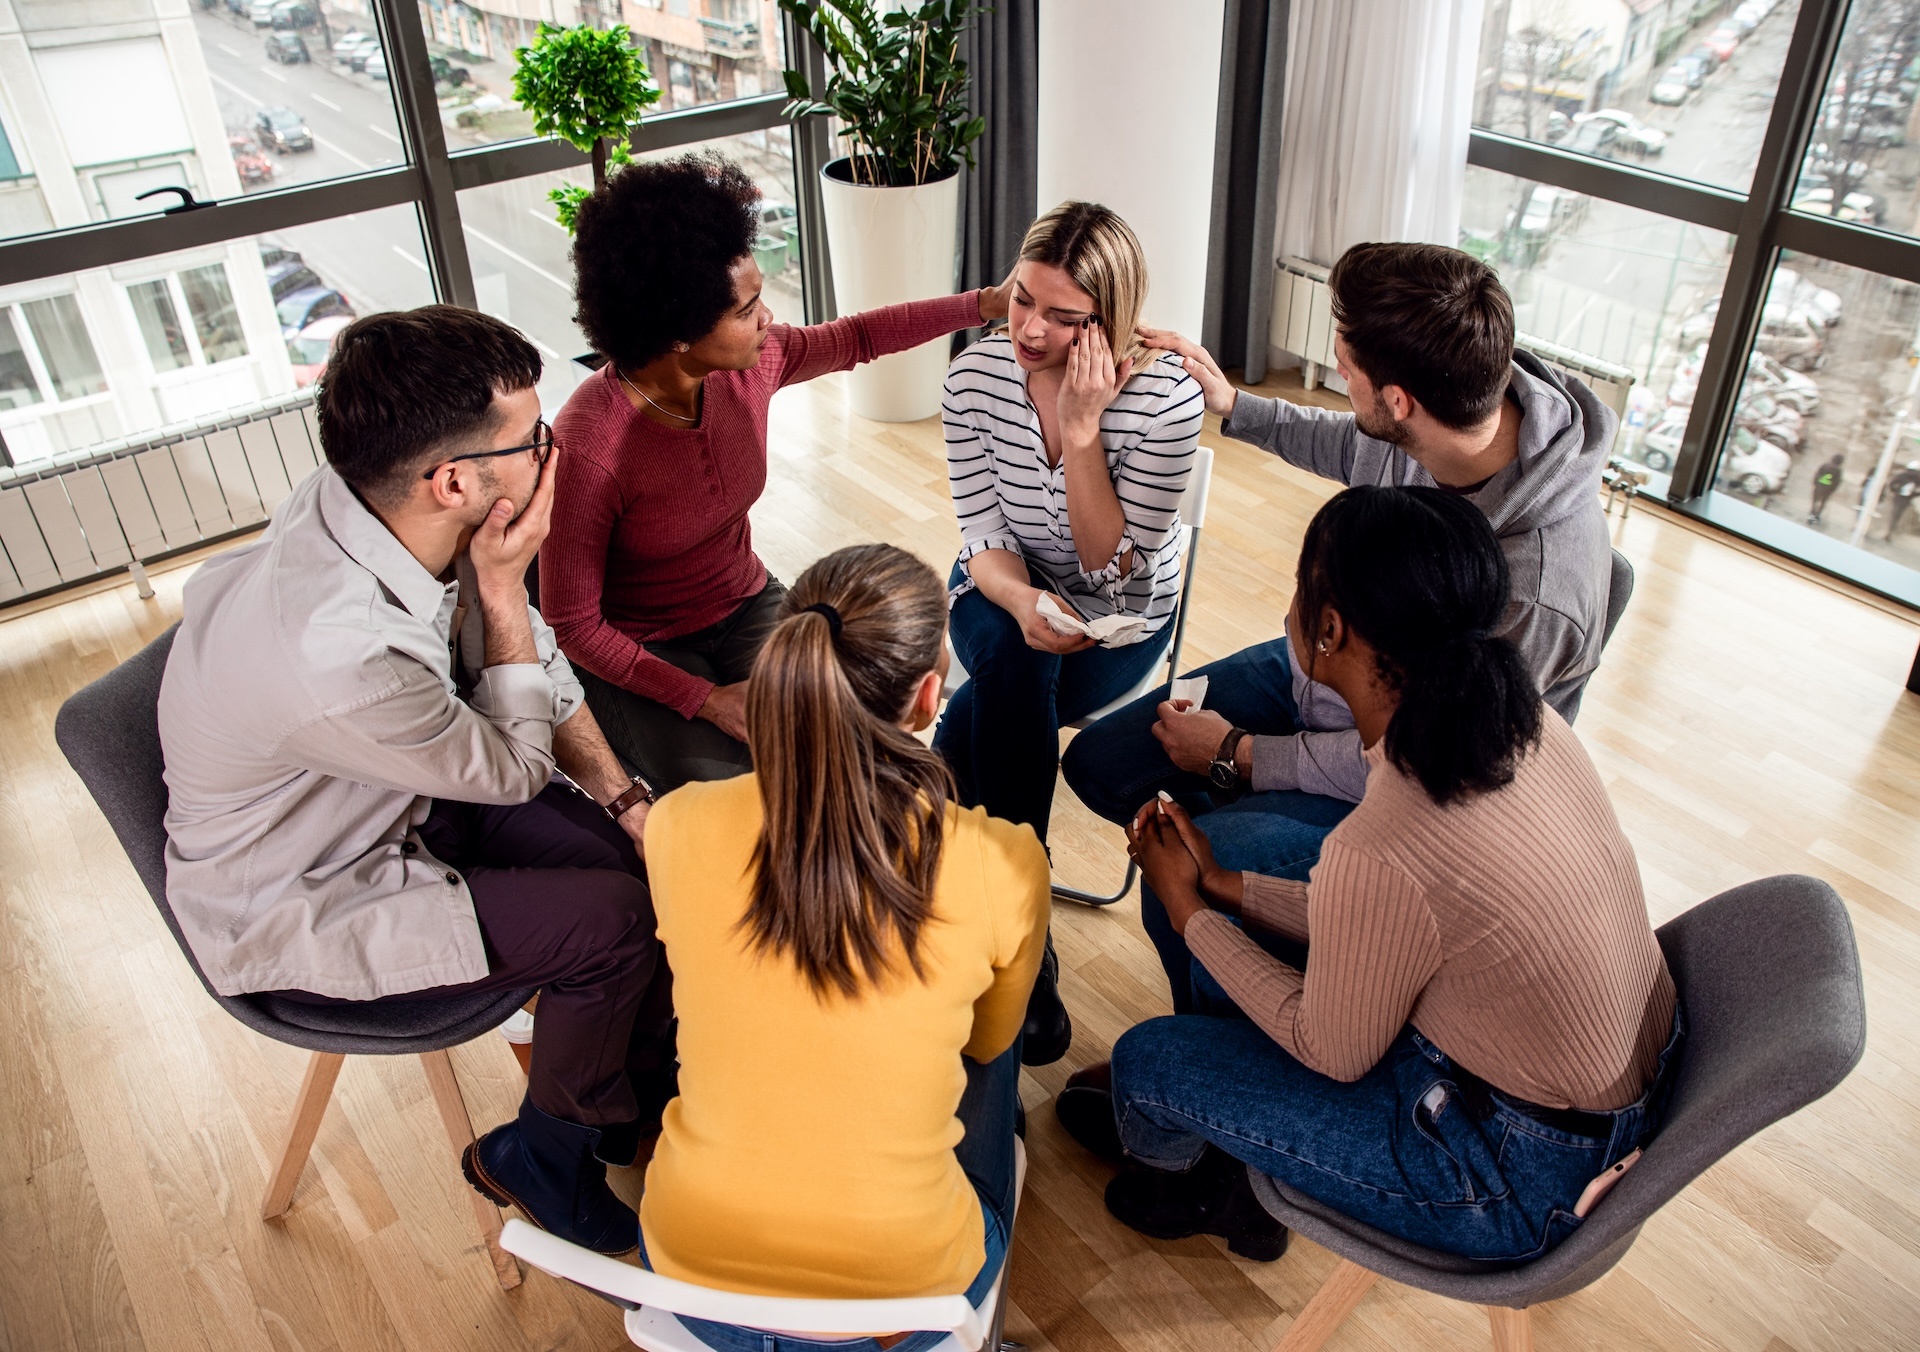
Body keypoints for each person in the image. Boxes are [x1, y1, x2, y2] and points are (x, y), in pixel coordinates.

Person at [158, 307, 676, 1255]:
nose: (553, 454)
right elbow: (518, 768)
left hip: (389, 797)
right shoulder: (342, 657)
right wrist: (505, 590)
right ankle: (545, 1157)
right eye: (537, 440)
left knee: (639, 865)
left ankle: (629, 1102)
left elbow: (532, 671)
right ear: (455, 482)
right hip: (301, 890)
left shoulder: (360, 495)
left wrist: (627, 800)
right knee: (610, 923)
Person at [1056, 486, 1679, 1266]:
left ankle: (1198, 1187)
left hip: (1517, 1172)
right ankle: (1233, 1149)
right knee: (1236, 952)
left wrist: (1191, 915)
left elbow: (1330, 1049)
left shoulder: (1384, 837)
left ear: (1329, 629)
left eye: (1299, 589)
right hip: (1609, 1098)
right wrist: (1224, 886)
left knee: (1150, 1061)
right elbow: (1398, 921)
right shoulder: (1531, 725)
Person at [1059, 240, 1614, 1015]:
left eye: (1345, 363)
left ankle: (1223, 1057)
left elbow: (1430, 771)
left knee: (1194, 866)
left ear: (1399, 400)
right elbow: (1357, 443)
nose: (1334, 367)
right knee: (1099, 766)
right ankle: (1260, 908)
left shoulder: (1537, 592)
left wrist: (1237, 755)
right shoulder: (1455, 413)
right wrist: (1235, 405)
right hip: (1317, 675)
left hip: (1410, 777)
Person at [638, 544, 1050, 1349]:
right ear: (930, 697)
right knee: (994, 1045)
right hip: (905, 1305)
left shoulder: (675, 824)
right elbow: (988, 1045)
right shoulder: (1000, 862)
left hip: (692, 1278)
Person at [543, 151, 1011, 795]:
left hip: (743, 602)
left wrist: (985, 303)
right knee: (740, 795)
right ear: (677, 332)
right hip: (641, 649)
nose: (768, 318)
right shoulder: (589, 447)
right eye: (746, 308)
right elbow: (572, 626)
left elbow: (859, 336)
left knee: (846, 747)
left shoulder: (751, 365)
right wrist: (705, 699)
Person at [936, 201, 1201, 1063]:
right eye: (1022, 301)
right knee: (1016, 657)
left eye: (1064, 316)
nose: (1031, 330)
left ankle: (988, 904)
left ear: (1111, 320)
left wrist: (1083, 433)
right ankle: (1029, 932)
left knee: (978, 720)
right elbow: (982, 537)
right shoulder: (974, 379)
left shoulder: (1164, 400)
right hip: (999, 593)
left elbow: (1110, 572)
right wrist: (1018, 602)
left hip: (1117, 625)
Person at [1884, 460, 1920, 539]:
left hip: (1898, 497)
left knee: (1893, 514)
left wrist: (1894, 491)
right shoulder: (1918, 478)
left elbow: (1892, 483)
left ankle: (1888, 531)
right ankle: (1891, 532)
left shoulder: (1903, 475)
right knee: (1898, 515)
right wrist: (1913, 495)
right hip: (1906, 499)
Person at [1808, 452, 1844, 524]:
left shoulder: (1825, 466)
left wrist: (1815, 483)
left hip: (1819, 486)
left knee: (1815, 500)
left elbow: (1817, 474)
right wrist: (1833, 489)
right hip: (1828, 488)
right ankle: (1818, 514)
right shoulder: (1838, 471)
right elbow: (1837, 481)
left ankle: (1812, 513)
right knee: (1823, 501)